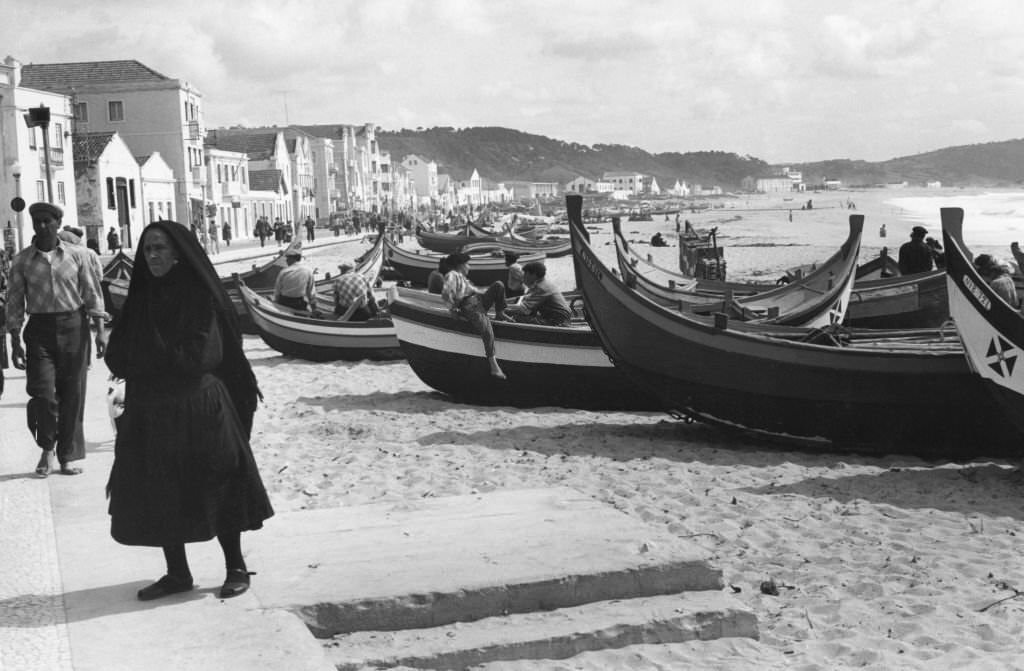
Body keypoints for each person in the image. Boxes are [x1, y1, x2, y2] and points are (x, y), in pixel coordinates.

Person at [104, 219, 273, 601]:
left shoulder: (199, 296)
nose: (152, 256)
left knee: (218, 483)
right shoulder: (142, 297)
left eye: (160, 248)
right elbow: (116, 355)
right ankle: (177, 573)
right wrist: (154, 359)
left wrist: (146, 358)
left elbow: (202, 355)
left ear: (179, 252)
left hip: (200, 406)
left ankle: (235, 566)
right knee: (160, 487)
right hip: (152, 409)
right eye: (147, 249)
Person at [5, 202, 108, 477]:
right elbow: (14, 302)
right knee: (43, 394)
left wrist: (100, 331)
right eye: (37, 221)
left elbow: (91, 293)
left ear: (57, 223)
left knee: (73, 394)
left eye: (47, 221)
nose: (41, 226)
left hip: (74, 327)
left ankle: (67, 456)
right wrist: (15, 339)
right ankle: (47, 447)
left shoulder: (78, 255)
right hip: (39, 331)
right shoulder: (22, 260)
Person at [441, 252, 507, 379]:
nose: (469, 267)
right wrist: (452, 309)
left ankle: (500, 313)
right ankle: (494, 366)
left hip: (477, 301)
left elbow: (475, 290)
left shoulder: (461, 277)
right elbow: (445, 293)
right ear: (460, 265)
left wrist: (488, 293)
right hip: (469, 306)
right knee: (487, 331)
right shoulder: (452, 275)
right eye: (467, 264)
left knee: (498, 285)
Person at [503, 261, 573, 327]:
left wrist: (503, 310)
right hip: (560, 317)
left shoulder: (540, 288)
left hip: (557, 320)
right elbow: (530, 310)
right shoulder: (544, 283)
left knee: (516, 318)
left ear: (533, 275)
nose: (523, 277)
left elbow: (524, 310)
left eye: (526, 274)